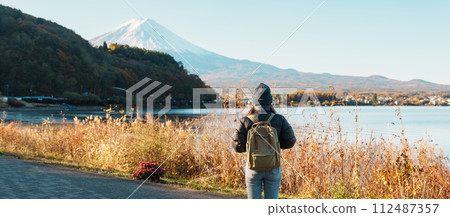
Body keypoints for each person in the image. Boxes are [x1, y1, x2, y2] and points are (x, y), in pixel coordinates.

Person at [232, 83, 296, 199]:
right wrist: (274, 143)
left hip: (253, 167)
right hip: (273, 167)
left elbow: (237, 147)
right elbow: (290, 142)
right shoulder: (279, 119)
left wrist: (252, 147)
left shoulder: (245, 120)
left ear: (254, 101)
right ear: (270, 101)